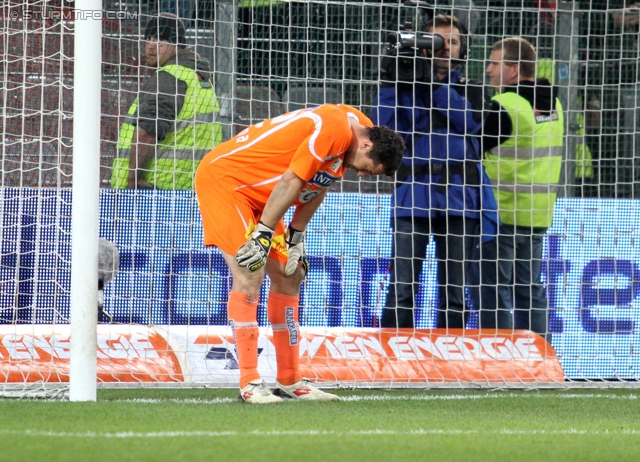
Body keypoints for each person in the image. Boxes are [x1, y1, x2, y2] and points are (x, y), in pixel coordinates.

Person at [195, 104, 405, 404]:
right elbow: (292, 181)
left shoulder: (360, 129)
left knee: (291, 274)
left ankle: (290, 380)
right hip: (228, 183)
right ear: (367, 145)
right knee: (249, 270)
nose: (360, 174)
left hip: (265, 196)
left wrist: (296, 235)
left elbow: (320, 182)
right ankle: (250, 382)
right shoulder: (333, 128)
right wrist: (264, 234)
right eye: (366, 168)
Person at [373, 14, 499, 329]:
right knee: (401, 289)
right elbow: (382, 131)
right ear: (422, 47)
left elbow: (469, 121)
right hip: (412, 195)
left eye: (452, 42)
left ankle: (450, 368)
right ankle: (391, 363)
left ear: (463, 49)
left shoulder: (473, 89)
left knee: (455, 293)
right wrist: (390, 82)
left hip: (460, 199)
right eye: (436, 41)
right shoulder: (403, 86)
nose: (444, 48)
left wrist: (430, 84)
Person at [478, 37, 564, 336]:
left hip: (501, 215)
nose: (488, 69)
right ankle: (540, 360)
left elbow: (472, 149)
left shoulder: (505, 106)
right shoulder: (554, 103)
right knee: (531, 291)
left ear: (514, 70)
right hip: (538, 215)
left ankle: (498, 362)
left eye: (494, 63)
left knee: (493, 292)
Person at [111, 13, 223, 190]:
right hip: (189, 188)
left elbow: (147, 133)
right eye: (148, 39)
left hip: (154, 189)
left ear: (177, 44)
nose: (151, 47)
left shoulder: (168, 78)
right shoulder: (199, 78)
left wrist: (133, 180)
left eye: (160, 40)